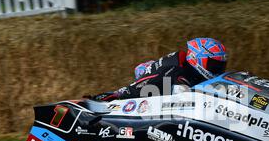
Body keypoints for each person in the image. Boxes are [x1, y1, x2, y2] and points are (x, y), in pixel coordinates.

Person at [92, 37, 227, 101]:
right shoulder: (172, 70)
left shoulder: (193, 72)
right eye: (214, 65)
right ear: (196, 57)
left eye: (220, 66)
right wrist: (116, 95)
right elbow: (138, 86)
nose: (217, 70)